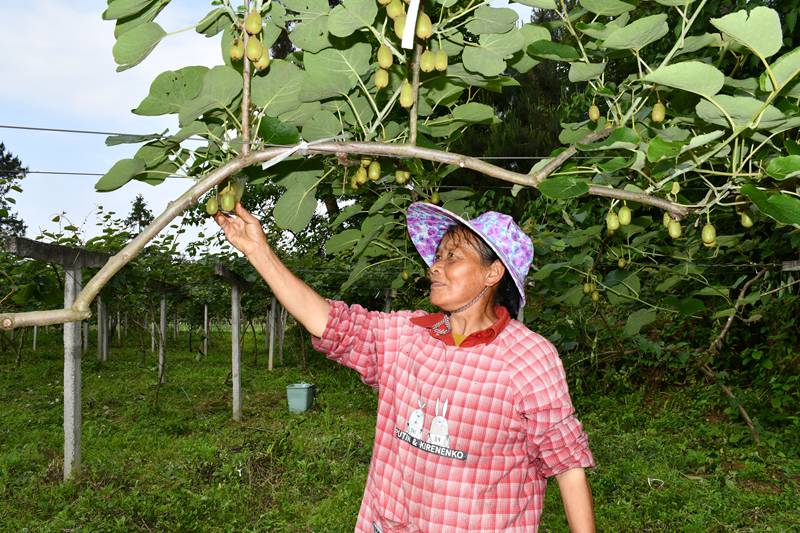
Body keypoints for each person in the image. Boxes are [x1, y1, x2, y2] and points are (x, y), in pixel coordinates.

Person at [215, 200, 595, 532]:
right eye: (438, 256)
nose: (435, 267)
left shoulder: (529, 358)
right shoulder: (406, 336)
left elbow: (566, 464)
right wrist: (258, 251)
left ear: (492, 273)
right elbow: (330, 322)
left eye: (452, 257)